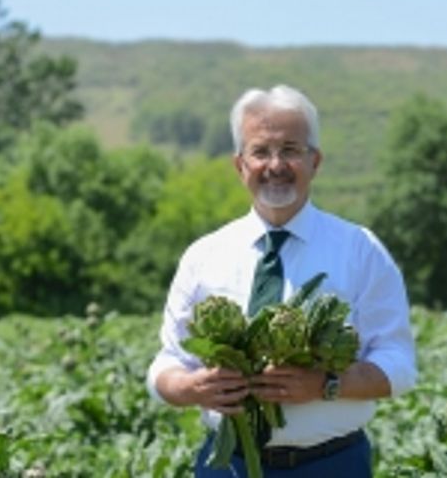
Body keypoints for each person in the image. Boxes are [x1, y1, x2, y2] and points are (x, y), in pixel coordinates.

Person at [146, 84, 417, 477]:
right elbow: (168, 362)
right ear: (240, 165)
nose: (275, 164)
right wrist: (190, 389)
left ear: (315, 161)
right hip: (227, 464)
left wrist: (326, 384)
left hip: (331, 465)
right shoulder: (204, 255)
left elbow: (400, 366)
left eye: (291, 149)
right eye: (260, 151)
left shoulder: (360, 250)